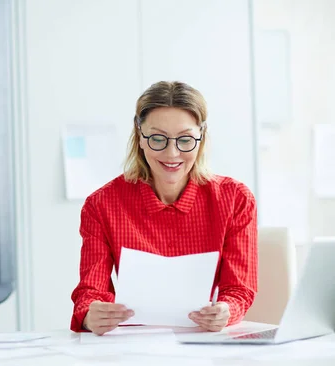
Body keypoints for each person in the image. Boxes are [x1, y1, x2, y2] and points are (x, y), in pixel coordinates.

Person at [70, 81, 258, 335]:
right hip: (130, 345)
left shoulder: (235, 199)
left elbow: (239, 289)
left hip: (205, 343)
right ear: (140, 137)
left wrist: (226, 311)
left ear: (201, 138)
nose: (172, 153)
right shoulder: (101, 205)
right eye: (158, 138)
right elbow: (90, 292)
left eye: (185, 139)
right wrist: (91, 315)